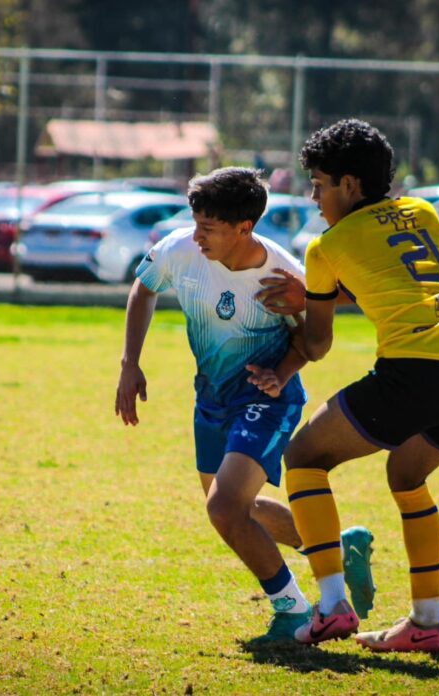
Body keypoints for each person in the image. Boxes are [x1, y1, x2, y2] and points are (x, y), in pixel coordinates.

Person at [256, 119, 439, 652]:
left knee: (305, 458)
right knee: (407, 476)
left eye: (318, 184)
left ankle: (332, 604)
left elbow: (318, 345)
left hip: (413, 373)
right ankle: (426, 623)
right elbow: (399, 284)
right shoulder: (423, 214)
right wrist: (317, 297)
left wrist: (301, 321)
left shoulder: (327, 247)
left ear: (347, 184)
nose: (314, 197)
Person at [117, 166, 338, 643]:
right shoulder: (180, 247)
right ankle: (333, 549)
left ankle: (294, 610)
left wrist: (282, 371)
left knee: (224, 509)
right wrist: (129, 363)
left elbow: (317, 342)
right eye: (195, 224)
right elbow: (145, 287)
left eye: (208, 229)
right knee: (238, 508)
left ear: (245, 228)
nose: (197, 237)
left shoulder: (282, 276)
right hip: (211, 397)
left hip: (266, 397)